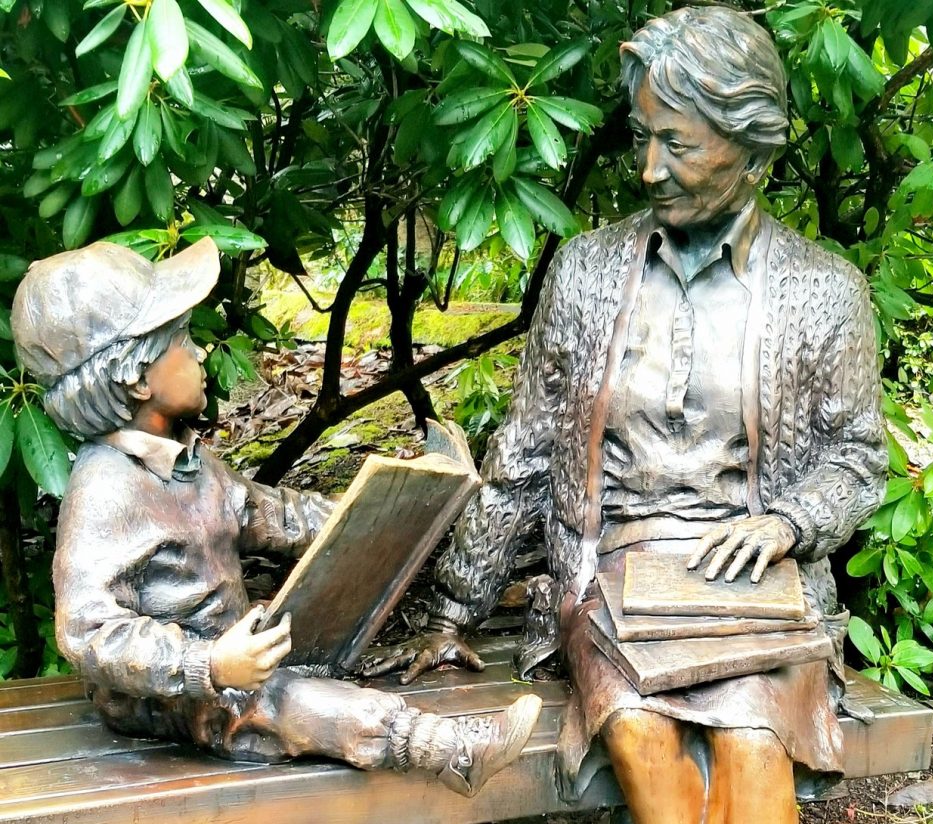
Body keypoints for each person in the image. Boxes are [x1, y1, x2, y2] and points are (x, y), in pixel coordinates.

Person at [362, 7, 887, 823]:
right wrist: (456, 610)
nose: (649, 169)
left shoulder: (825, 292)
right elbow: (527, 453)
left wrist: (787, 521)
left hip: (756, 588)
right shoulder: (588, 271)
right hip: (611, 576)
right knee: (640, 734)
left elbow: (856, 459)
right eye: (644, 137)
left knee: (752, 743)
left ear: (749, 152)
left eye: (676, 144)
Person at [10, 237, 541, 797]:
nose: (202, 354)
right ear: (137, 378)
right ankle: (443, 748)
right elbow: (88, 631)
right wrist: (208, 664)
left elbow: (275, 514)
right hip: (166, 694)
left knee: (309, 666)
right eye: (183, 342)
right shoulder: (106, 488)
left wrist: (390, 504)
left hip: (233, 654)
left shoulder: (191, 463)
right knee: (281, 702)